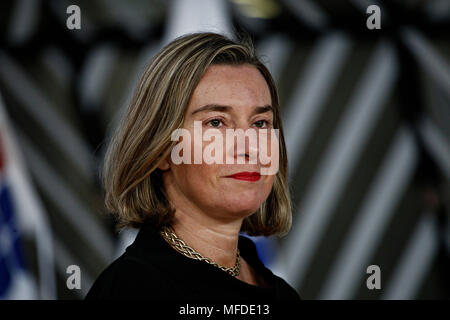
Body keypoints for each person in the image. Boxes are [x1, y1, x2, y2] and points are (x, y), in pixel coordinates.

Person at [85, 32, 300, 300]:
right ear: (162, 151)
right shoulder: (131, 291)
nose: (250, 147)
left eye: (260, 123)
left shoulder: (283, 295)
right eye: (216, 122)